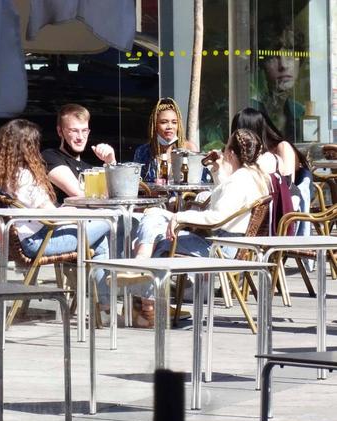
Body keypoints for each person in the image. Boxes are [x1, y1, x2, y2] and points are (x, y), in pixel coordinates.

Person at [0, 118, 116, 321]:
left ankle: (105, 304)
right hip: (40, 241)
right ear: (28, 148)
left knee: (99, 243)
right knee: (112, 219)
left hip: (25, 240)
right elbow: (52, 217)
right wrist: (75, 211)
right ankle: (112, 302)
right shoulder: (25, 178)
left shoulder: (2, 176)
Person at [130, 129, 271, 327]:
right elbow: (228, 204)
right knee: (153, 215)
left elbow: (217, 216)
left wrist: (180, 217)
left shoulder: (239, 180)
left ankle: (146, 304)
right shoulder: (255, 176)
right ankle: (143, 278)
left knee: (160, 243)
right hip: (235, 244)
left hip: (221, 248)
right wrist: (217, 171)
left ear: (231, 153)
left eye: (226, 148)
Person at [229, 108, 311, 237]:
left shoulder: (282, 147)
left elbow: (286, 184)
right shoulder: (255, 153)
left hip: (281, 208)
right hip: (260, 202)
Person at [42, 103, 116, 204]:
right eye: (74, 131)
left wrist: (111, 162)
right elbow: (79, 194)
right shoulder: (50, 157)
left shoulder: (88, 168)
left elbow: (113, 196)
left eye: (84, 131)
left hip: (96, 217)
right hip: (67, 219)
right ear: (60, 131)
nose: (80, 137)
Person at [250, 26, 305, 142]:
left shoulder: (299, 112)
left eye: (290, 54)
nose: (283, 65)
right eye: (273, 57)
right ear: (262, 64)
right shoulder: (250, 111)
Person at [133, 97, 198, 182]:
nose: (170, 127)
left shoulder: (189, 149)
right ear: (155, 125)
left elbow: (200, 181)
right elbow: (135, 183)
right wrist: (152, 189)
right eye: (164, 122)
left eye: (174, 122)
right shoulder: (143, 152)